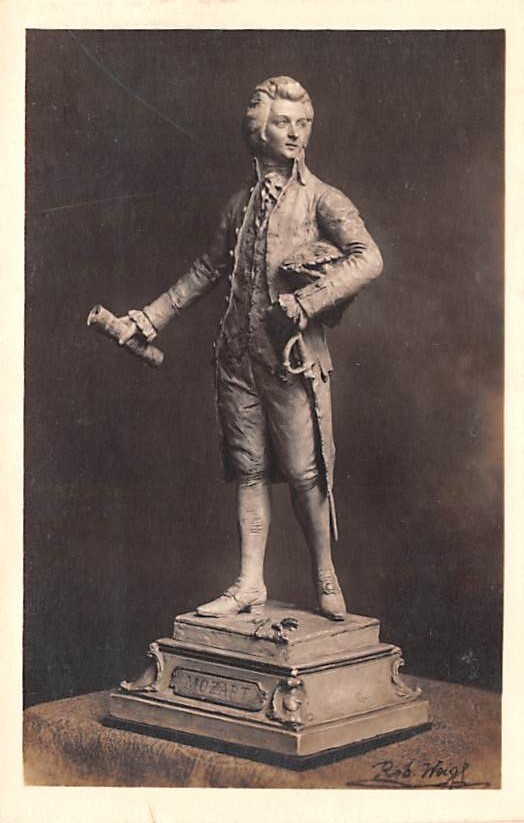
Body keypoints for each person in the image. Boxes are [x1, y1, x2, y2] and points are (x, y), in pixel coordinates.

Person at [119, 76, 383, 621]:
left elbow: (369, 257)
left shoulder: (323, 199)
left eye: (303, 123)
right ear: (258, 130)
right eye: (283, 122)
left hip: (291, 360)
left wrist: (309, 301)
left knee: (306, 473)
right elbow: (207, 268)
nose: (296, 133)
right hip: (237, 359)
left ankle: (325, 575)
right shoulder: (239, 205)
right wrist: (151, 317)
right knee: (249, 470)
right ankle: (249, 583)